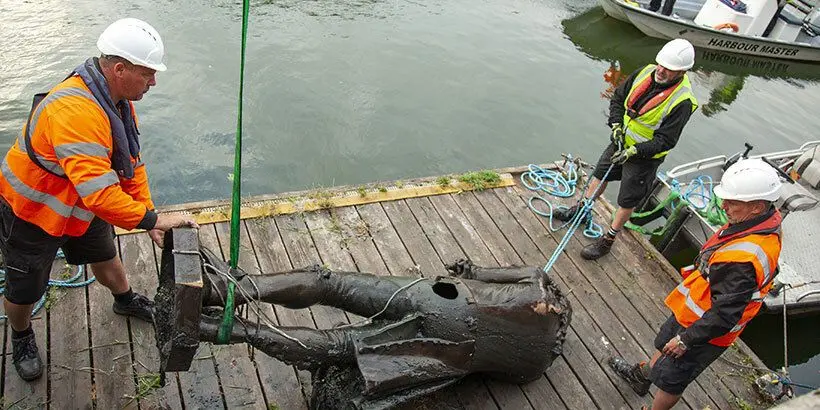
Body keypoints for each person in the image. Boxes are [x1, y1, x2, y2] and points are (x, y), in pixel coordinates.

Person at [0, 18, 198, 382]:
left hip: (80, 208)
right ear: (119, 69)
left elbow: (132, 165)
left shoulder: (117, 99)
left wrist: (148, 212)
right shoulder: (75, 112)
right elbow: (102, 194)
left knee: (105, 256)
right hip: (33, 213)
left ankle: (125, 300)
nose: (153, 82)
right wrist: (152, 222)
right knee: (25, 287)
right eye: (148, 73)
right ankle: (22, 334)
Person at [607, 158, 783, 410]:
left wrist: (686, 340)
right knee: (664, 345)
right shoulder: (761, 220)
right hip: (693, 312)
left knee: (673, 380)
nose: (724, 206)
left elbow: (724, 315)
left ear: (756, 206)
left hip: (703, 331)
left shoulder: (743, 259)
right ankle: (642, 376)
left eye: (732, 202)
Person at [553, 38, 698, 260]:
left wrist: (634, 152)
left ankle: (608, 239)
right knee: (599, 175)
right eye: (660, 64)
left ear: (681, 71)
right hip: (621, 141)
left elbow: (666, 141)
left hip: (644, 158)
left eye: (669, 69)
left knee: (627, 200)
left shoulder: (682, 101)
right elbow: (618, 99)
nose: (661, 70)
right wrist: (616, 126)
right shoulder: (644, 72)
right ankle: (582, 210)